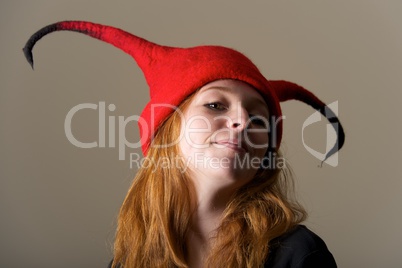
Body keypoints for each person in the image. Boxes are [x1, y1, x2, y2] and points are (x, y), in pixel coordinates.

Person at [24, 21, 344, 268]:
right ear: (166, 131)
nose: (242, 122)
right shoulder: (131, 258)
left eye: (258, 119)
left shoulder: (300, 255)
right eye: (216, 105)